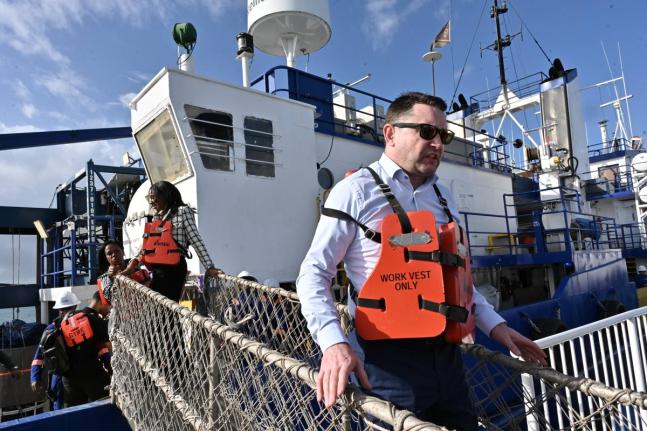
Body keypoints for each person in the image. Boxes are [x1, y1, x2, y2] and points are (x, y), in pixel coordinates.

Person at [296, 92, 546, 430]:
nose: (439, 144)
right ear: (391, 133)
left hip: (447, 360)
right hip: (386, 365)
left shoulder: (443, 197)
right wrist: (334, 344)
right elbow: (313, 274)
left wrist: (498, 328)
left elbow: (460, 281)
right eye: (427, 132)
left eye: (444, 135)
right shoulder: (355, 191)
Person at [142, 181, 222, 302]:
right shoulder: (156, 217)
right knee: (155, 306)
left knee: (169, 307)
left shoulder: (183, 211)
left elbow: (195, 240)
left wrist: (209, 267)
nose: (151, 201)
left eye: (153, 197)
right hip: (158, 270)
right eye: (149, 198)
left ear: (165, 195)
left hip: (174, 267)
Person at [57, 292, 112, 407]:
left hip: (68, 379)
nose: (109, 309)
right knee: (107, 406)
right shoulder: (93, 320)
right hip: (92, 375)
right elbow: (108, 341)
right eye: (109, 305)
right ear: (101, 302)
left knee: (75, 414)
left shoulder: (62, 323)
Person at [30, 291, 81, 410]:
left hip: (79, 378)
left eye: (67, 308)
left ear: (74, 307)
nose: (65, 311)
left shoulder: (82, 325)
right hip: (59, 379)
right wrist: (35, 377)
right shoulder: (51, 330)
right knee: (60, 410)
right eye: (63, 309)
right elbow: (39, 357)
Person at [97, 239, 150, 307]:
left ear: (123, 251)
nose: (114, 255)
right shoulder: (105, 278)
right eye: (109, 253)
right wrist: (120, 275)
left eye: (117, 251)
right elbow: (111, 299)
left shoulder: (136, 264)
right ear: (106, 258)